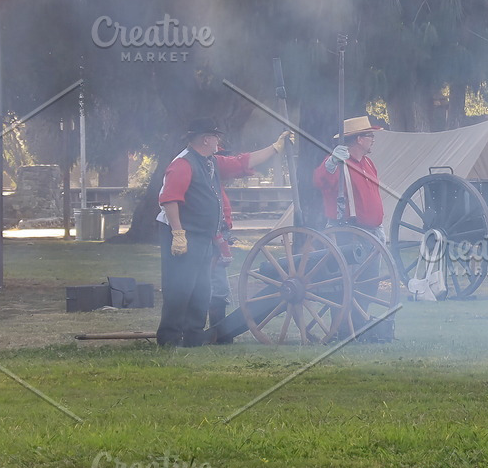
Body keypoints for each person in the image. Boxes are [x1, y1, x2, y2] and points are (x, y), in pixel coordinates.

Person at [206, 129, 292, 342]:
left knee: (217, 287)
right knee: (215, 286)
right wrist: (274, 148)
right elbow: (242, 162)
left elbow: (242, 164)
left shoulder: (213, 174)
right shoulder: (211, 168)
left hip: (216, 235)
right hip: (209, 237)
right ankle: (214, 334)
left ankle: (217, 333)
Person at [156, 117, 229, 347]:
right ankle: (169, 337)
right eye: (216, 136)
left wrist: (274, 149)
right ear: (206, 138)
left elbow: (240, 162)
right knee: (180, 286)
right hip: (183, 233)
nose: (219, 141)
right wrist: (178, 234)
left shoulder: (207, 161)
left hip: (202, 234)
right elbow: (169, 199)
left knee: (201, 287)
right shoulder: (183, 163)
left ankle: (193, 333)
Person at [313, 115, 385, 230]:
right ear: (359, 139)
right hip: (350, 233)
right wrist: (331, 163)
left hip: (373, 231)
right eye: (370, 136)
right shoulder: (337, 163)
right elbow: (320, 181)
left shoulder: (368, 163)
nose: (373, 140)